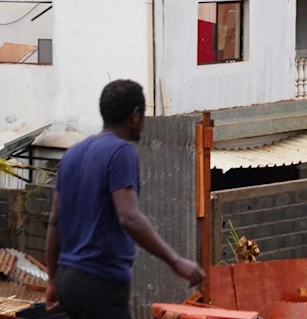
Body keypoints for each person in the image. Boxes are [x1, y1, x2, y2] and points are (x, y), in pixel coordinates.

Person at [45, 79, 204, 318]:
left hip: (69, 279)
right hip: (100, 282)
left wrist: (52, 279)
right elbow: (128, 216)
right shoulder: (121, 152)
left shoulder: (72, 154)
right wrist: (175, 261)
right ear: (135, 115)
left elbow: (55, 222)